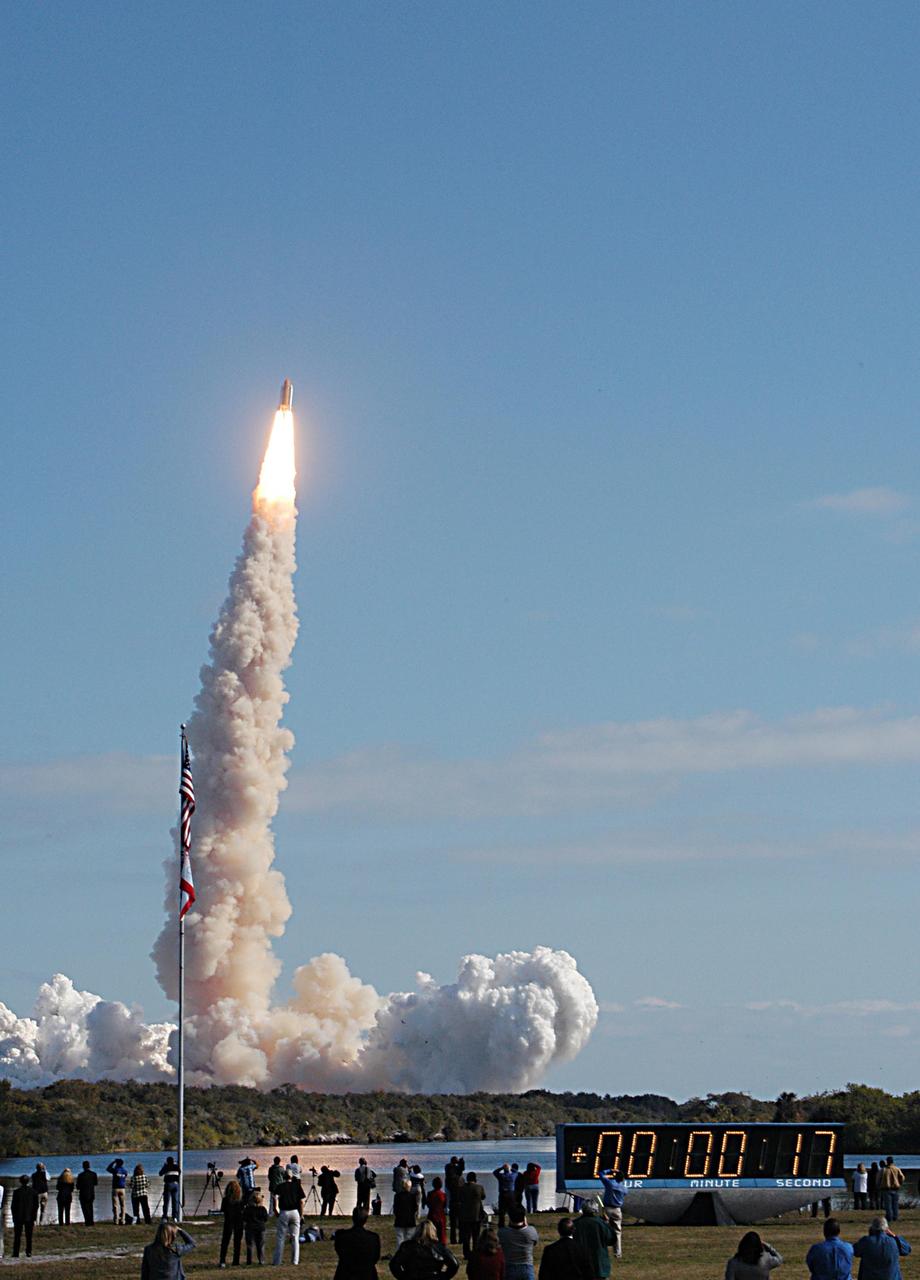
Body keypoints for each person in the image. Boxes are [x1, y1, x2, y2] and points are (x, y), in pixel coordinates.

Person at [389, 1218, 460, 1280]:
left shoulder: (407, 1246)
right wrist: (443, 1276)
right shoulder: (439, 1247)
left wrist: (404, 1277)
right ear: (434, 1232)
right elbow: (454, 1264)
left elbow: (394, 1264)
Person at [334, 1205, 382, 1280]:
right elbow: (375, 1257)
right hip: (367, 1274)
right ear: (366, 1220)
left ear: (353, 1218)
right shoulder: (373, 1238)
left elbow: (339, 1250)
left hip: (345, 1273)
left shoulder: (341, 1236)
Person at [572, 1203, 614, 1280]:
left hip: (580, 1264)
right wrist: (607, 1223)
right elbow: (611, 1239)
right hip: (599, 1265)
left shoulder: (574, 1224)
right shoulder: (601, 1223)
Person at [273, 1169, 306, 1266]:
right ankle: (295, 1261)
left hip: (284, 1212)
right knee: (295, 1238)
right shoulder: (297, 1186)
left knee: (280, 1237)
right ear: (291, 1177)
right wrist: (301, 1214)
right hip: (295, 1212)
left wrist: (276, 1211)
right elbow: (301, 1201)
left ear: (283, 1176)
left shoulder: (280, 1187)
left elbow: (275, 1198)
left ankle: (277, 1261)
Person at [498, 1207, 539, 1280]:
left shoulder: (502, 1232)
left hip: (509, 1267)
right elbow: (535, 1242)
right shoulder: (531, 1231)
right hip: (527, 1267)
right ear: (524, 1217)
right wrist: (526, 1225)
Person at [598, 1168, 626, 1261]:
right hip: (617, 1210)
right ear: (623, 1179)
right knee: (617, 1232)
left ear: (615, 1177)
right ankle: (618, 1253)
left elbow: (601, 1173)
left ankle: (601, 1251)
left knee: (602, 1230)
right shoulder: (624, 1189)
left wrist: (611, 1170)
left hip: (607, 1209)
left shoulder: (610, 1184)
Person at [458, 1172, 486, 1260]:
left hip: (465, 1215)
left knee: (466, 1236)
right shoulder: (479, 1187)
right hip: (476, 1215)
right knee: (476, 1235)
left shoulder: (462, 1188)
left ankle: (466, 1253)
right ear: (475, 1179)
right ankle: (475, 1251)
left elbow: (459, 1198)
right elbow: (483, 1197)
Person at [218, 1178, 244, 1269]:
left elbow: (222, 1210)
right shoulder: (241, 1200)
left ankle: (222, 1260)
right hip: (239, 1222)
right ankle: (236, 1261)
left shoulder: (225, 1200)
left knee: (225, 1242)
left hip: (228, 1221)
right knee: (237, 1242)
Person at [11, 1175, 38, 1259]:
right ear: (28, 1181)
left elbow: (13, 1206)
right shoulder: (33, 1192)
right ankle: (29, 1251)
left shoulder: (16, 1192)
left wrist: (14, 1216)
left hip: (18, 1217)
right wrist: (34, 1217)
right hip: (29, 1217)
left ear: (20, 1181)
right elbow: (36, 1206)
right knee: (29, 1236)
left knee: (17, 1236)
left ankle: (16, 1252)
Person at [243, 1188, 269, 1265]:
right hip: (260, 1228)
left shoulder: (248, 1209)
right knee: (260, 1245)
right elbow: (266, 1218)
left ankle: (249, 1261)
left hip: (250, 1228)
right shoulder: (263, 1209)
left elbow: (244, 1218)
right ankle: (261, 1260)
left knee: (250, 1245)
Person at [394, 1178, 420, 1249]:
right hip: (410, 1220)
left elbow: (395, 1208)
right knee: (409, 1239)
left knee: (400, 1239)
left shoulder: (397, 1196)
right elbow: (415, 1208)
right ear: (410, 1187)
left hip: (399, 1220)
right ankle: (408, 1255)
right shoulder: (412, 1196)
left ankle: (399, 1255)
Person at [445, 1157, 466, 1245]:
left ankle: (453, 1239)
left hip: (453, 1202)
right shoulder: (461, 1180)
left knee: (453, 1222)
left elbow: (460, 1169)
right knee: (460, 1222)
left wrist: (460, 1163)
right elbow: (461, 1170)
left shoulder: (450, 1180)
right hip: (460, 1202)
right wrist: (461, 1163)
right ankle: (461, 1239)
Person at [879, 1158, 905, 1223]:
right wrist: (900, 1183)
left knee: (888, 1205)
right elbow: (902, 1177)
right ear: (893, 1162)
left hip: (886, 1189)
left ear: (887, 1162)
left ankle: (889, 1218)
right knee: (895, 1204)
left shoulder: (883, 1170)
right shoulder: (897, 1169)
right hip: (896, 1189)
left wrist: (879, 1186)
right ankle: (895, 1217)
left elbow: (878, 1179)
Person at [107, 1157, 129, 1224]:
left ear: (117, 1164)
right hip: (122, 1188)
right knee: (123, 1205)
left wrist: (113, 1162)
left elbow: (108, 1168)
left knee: (115, 1205)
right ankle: (123, 1220)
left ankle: (116, 1220)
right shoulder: (125, 1171)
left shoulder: (115, 1170)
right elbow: (125, 1176)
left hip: (115, 1188)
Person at [427, 1176, 448, 1245]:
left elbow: (428, 1204)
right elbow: (445, 1205)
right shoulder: (443, 1194)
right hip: (441, 1215)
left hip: (432, 1214)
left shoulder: (430, 1194)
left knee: (431, 1232)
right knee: (441, 1233)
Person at [76, 1159, 98, 1225]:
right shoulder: (94, 1174)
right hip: (91, 1193)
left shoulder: (80, 1175)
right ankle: (91, 1221)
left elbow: (78, 1187)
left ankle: (87, 1221)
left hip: (83, 1194)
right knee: (90, 1208)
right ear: (89, 1166)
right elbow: (95, 1183)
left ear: (83, 1166)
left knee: (85, 1209)